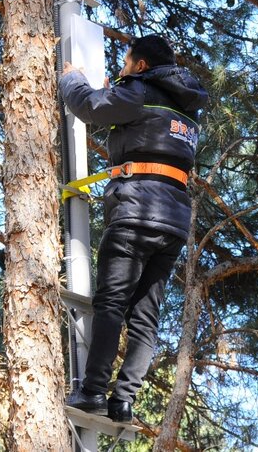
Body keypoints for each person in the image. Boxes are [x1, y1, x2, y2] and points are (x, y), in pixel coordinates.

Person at [60, 35, 208, 423]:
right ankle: (123, 401)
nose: (121, 70)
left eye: (126, 63)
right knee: (146, 316)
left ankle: (91, 392)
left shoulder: (139, 91)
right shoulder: (187, 111)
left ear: (140, 65)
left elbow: (90, 106)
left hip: (135, 212)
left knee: (112, 303)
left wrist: (71, 79)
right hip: (174, 222)